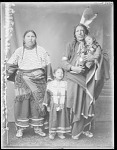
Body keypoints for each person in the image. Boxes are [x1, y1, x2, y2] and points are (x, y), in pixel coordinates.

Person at [62, 23, 110, 140]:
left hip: (87, 78)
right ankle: (71, 129)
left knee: (86, 102)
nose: (80, 33)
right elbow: (63, 62)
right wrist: (74, 68)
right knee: (73, 101)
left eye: (82, 31)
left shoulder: (92, 45)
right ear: (74, 33)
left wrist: (94, 59)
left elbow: (103, 57)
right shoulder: (70, 45)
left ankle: (83, 129)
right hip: (72, 76)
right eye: (77, 31)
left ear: (86, 33)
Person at [6, 30, 53, 138]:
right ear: (24, 38)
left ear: (35, 38)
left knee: (38, 104)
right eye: (28, 36)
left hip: (39, 80)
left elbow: (48, 65)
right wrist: (9, 73)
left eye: (33, 36)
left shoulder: (41, 50)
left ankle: (37, 128)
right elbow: (10, 64)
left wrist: (48, 78)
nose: (30, 38)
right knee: (21, 104)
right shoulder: (19, 51)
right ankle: (20, 129)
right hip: (22, 80)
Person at [43, 67, 71, 140]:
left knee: (62, 118)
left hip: (63, 104)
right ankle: (52, 133)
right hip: (53, 103)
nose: (60, 74)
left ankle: (60, 133)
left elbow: (68, 95)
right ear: (54, 74)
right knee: (53, 118)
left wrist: (68, 104)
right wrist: (47, 105)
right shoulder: (50, 84)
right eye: (58, 72)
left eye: (62, 73)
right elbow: (47, 95)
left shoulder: (65, 83)